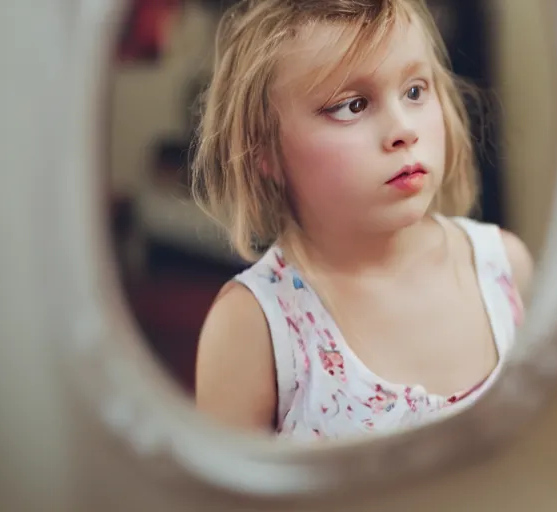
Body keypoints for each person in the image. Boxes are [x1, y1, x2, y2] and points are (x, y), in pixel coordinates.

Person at [192, 0, 533, 443]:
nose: (402, 129)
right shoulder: (254, 327)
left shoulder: (505, 268)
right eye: (352, 105)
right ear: (265, 152)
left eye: (414, 91)